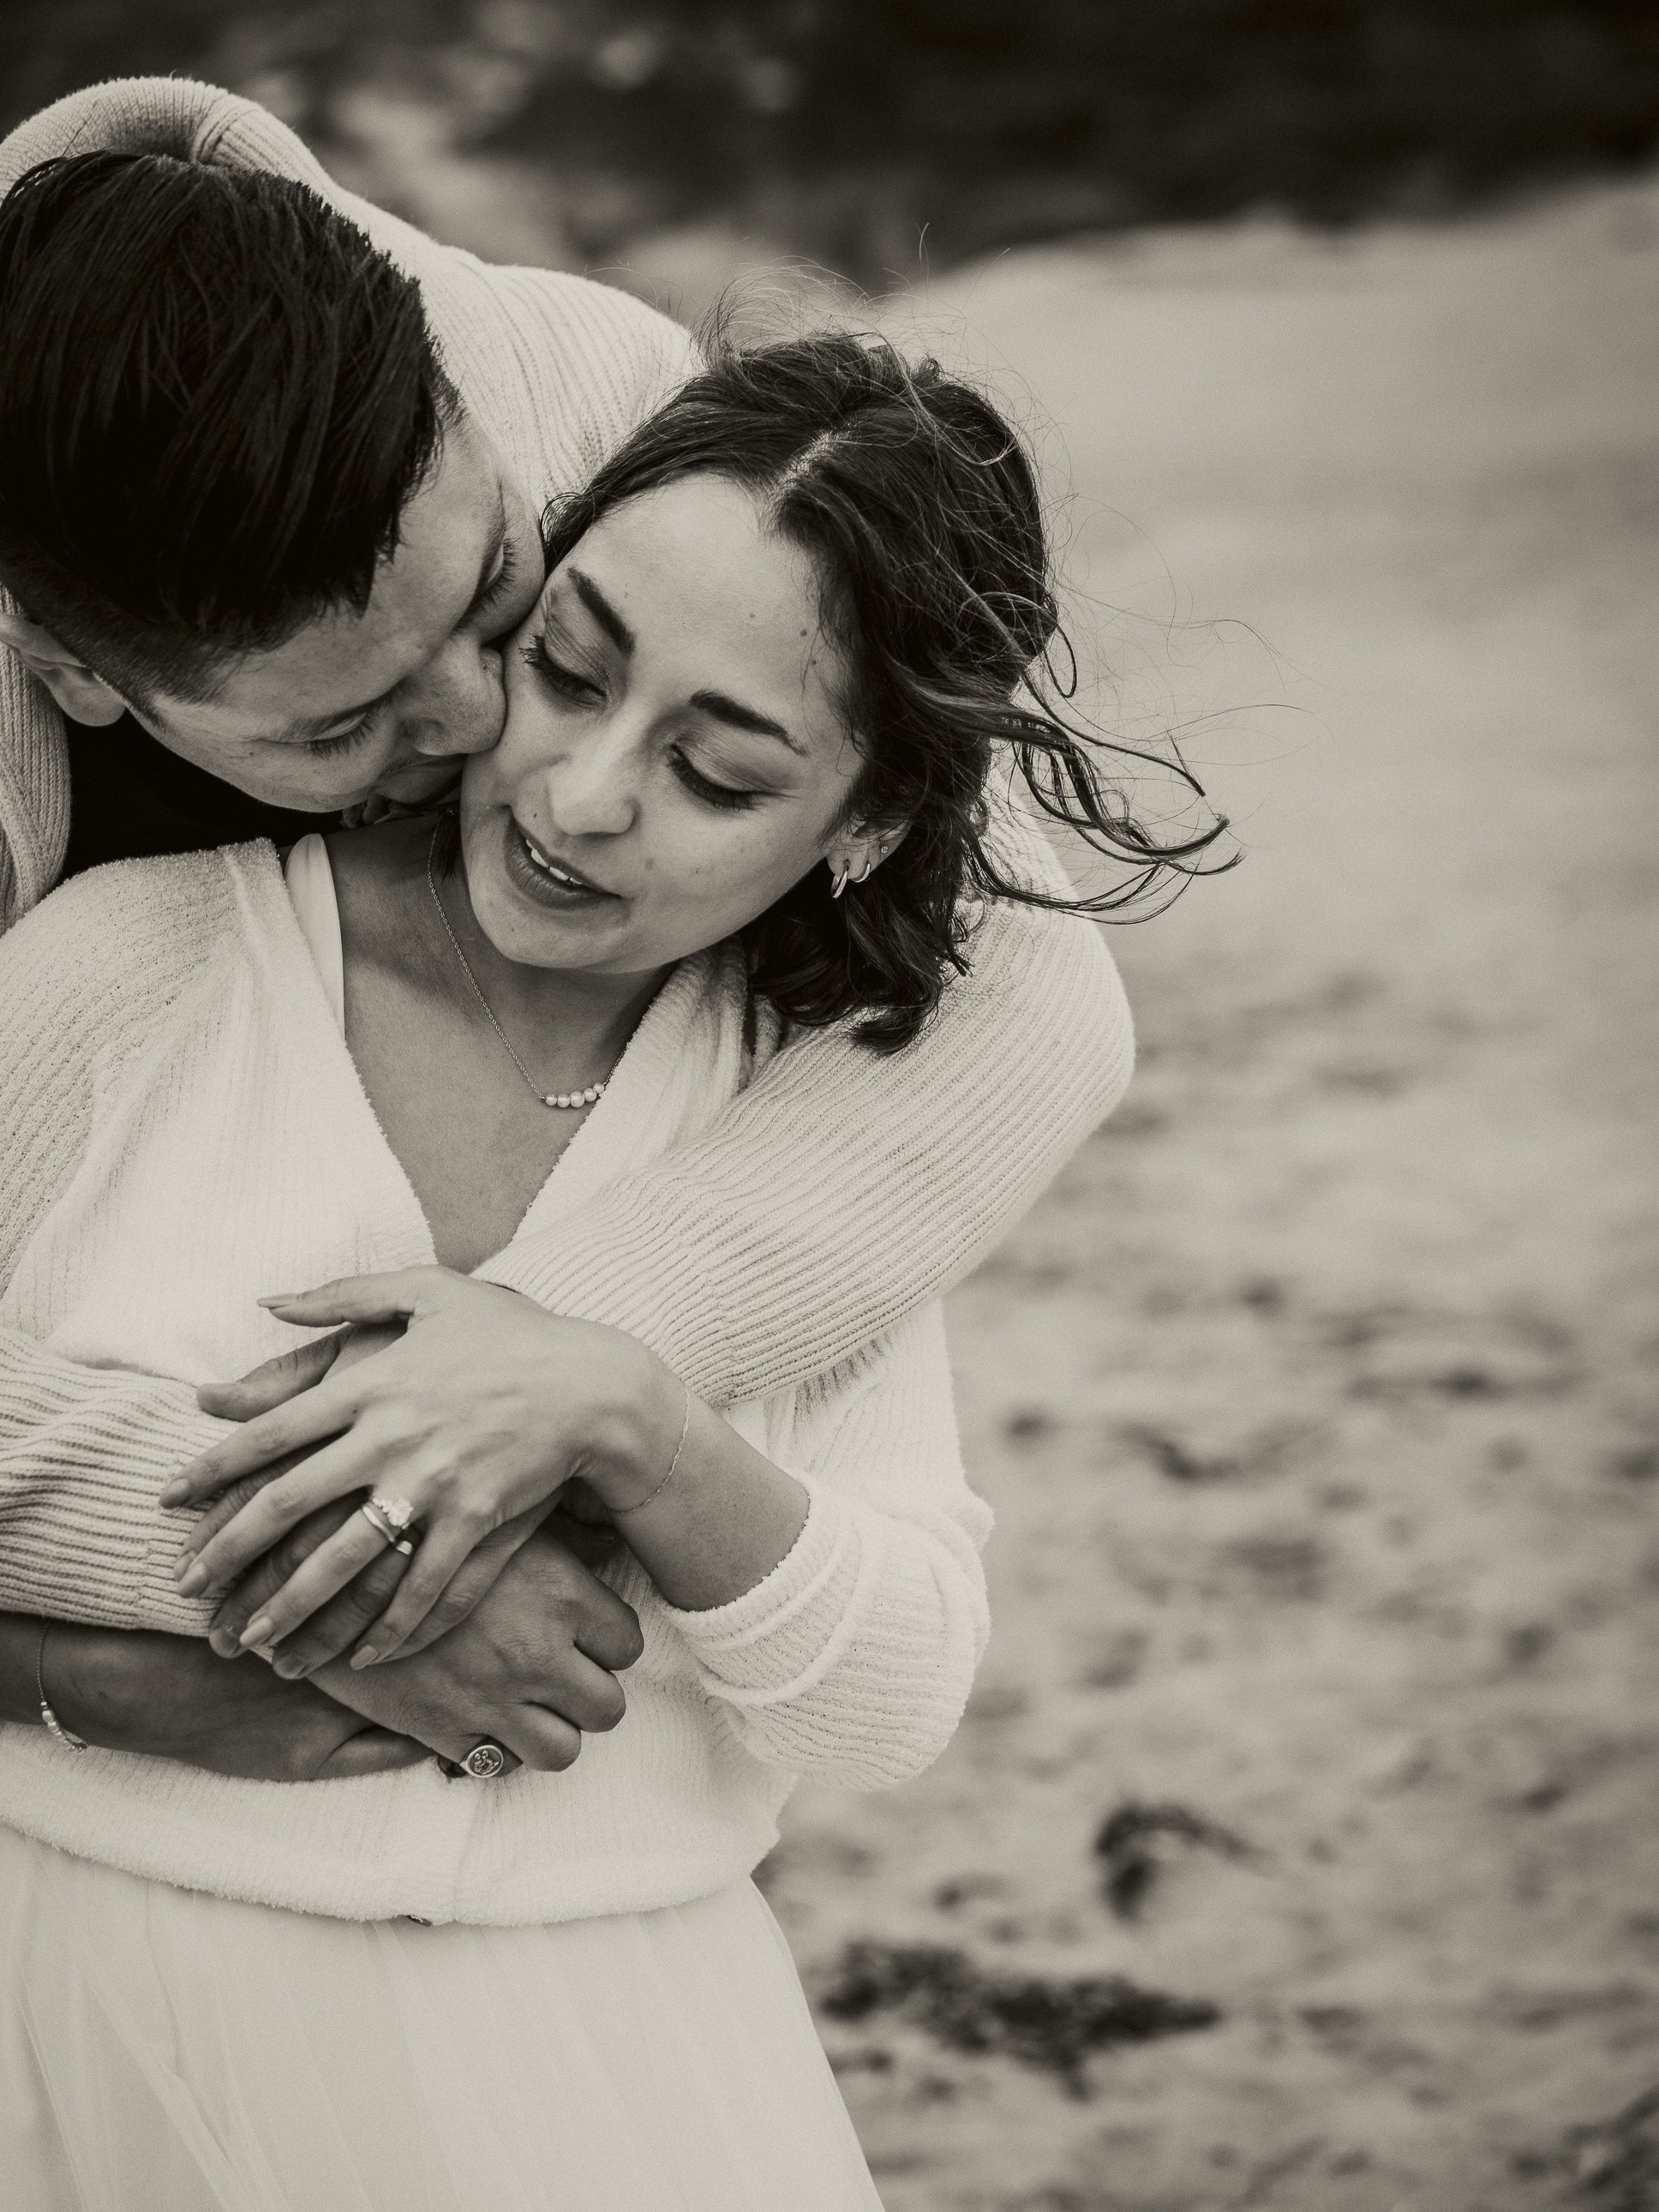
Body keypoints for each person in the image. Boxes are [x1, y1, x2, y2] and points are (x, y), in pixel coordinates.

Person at [1, 330, 1216, 2209]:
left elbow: (884, 1697)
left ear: (868, 824)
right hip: (82, 2006)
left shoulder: (817, 1104)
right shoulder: (133, 968)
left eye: (715, 774)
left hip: (606, 2064)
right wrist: (153, 1658)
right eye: (563, 666)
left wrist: (630, 1417)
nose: (576, 795)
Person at [0, 81, 1138, 1785]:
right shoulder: (97, 972)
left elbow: (1025, 982)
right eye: (340, 728)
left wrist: (535, 1366)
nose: (479, 731)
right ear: (69, 670)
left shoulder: (587, 395)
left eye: (501, 608)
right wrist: (245, 1610)